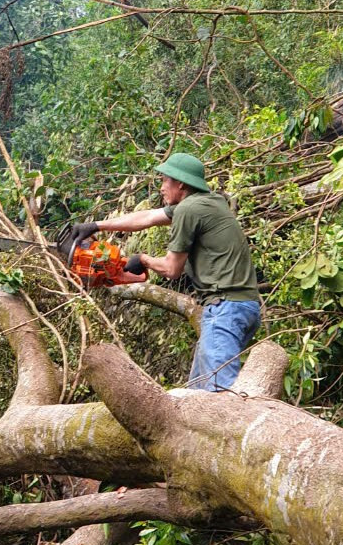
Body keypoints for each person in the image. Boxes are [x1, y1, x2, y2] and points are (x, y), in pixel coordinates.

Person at [71, 152, 261, 392]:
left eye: (164, 180)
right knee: (196, 394)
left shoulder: (188, 210)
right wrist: (96, 225)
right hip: (241, 306)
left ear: (180, 183)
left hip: (226, 308)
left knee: (220, 392)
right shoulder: (208, 202)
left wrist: (143, 260)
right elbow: (148, 217)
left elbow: (172, 269)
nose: (161, 187)